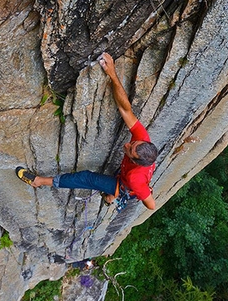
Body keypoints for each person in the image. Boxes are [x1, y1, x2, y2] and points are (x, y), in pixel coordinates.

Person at [16, 53, 158, 210]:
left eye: (130, 150)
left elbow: (151, 205)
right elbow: (125, 109)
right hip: (127, 179)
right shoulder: (142, 138)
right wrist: (112, 73)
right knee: (113, 186)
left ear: (134, 160)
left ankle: (39, 181)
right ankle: (113, 194)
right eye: (133, 143)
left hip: (127, 185)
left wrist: (138, 191)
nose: (127, 144)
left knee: (86, 178)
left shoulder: (135, 179)